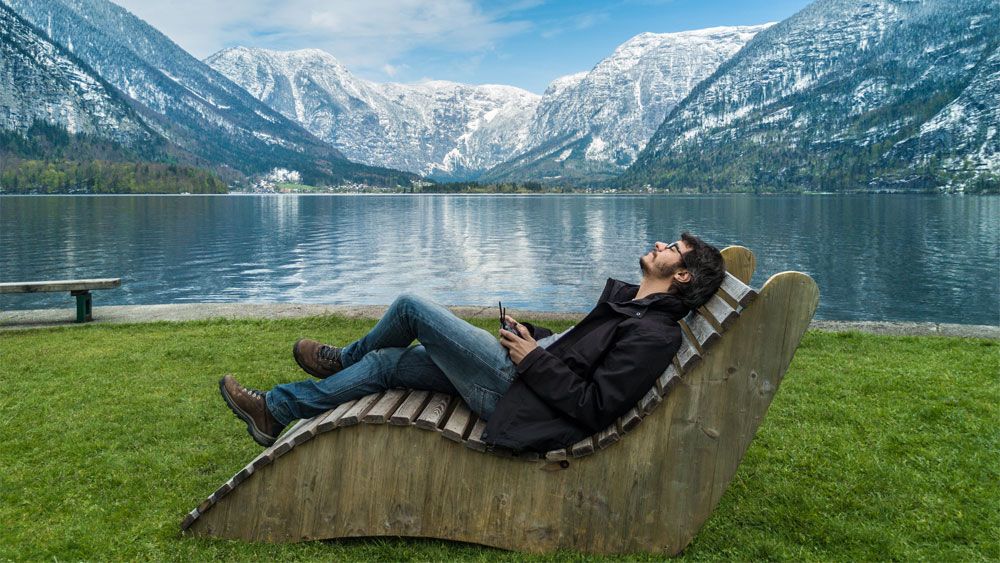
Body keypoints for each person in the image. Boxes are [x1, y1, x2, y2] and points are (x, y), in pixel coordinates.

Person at [219, 232, 726, 453]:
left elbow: (595, 405)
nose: (659, 245)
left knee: (412, 307)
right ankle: (276, 409)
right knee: (392, 362)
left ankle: (340, 360)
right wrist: (535, 338)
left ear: (680, 276)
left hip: (519, 395)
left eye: (671, 249)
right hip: (524, 376)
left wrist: (529, 360)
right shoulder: (633, 307)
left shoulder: (654, 333)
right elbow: (579, 353)